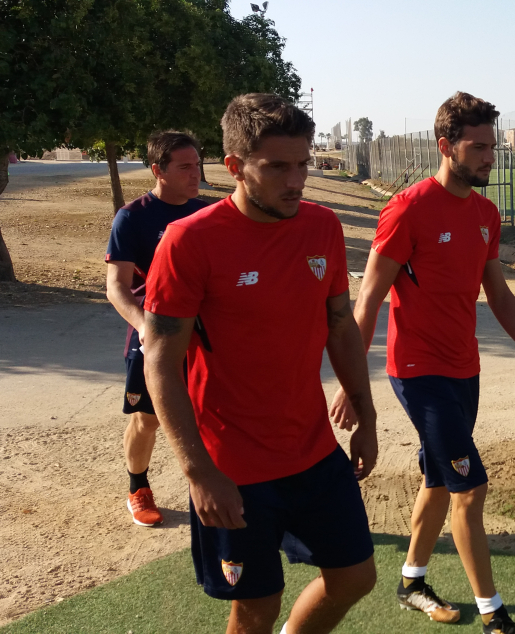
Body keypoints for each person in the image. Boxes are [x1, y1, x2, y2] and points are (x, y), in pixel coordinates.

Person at [143, 93, 379, 634]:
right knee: (255, 608)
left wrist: (365, 416)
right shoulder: (189, 241)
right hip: (234, 467)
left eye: (303, 164)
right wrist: (199, 472)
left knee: (355, 576)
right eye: (277, 167)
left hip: (314, 450)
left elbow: (340, 325)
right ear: (234, 167)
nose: (296, 180)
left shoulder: (321, 227)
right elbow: (160, 363)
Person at [331, 92, 515, 634]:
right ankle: (493, 613)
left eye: (492, 147)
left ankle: (411, 580)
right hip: (418, 373)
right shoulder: (407, 209)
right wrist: (350, 380)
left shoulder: (485, 214)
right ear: (446, 146)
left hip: (466, 371)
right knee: (470, 487)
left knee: (439, 480)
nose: (489, 158)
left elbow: (499, 295)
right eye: (477, 147)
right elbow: (369, 301)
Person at [105, 130, 206, 527]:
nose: (194, 173)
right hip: (154, 334)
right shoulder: (133, 217)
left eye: (197, 165)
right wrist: (144, 325)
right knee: (148, 417)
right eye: (184, 167)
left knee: (211, 413)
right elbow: (116, 286)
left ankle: (214, 484)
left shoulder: (207, 214)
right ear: (157, 170)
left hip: (203, 335)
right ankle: (138, 486)